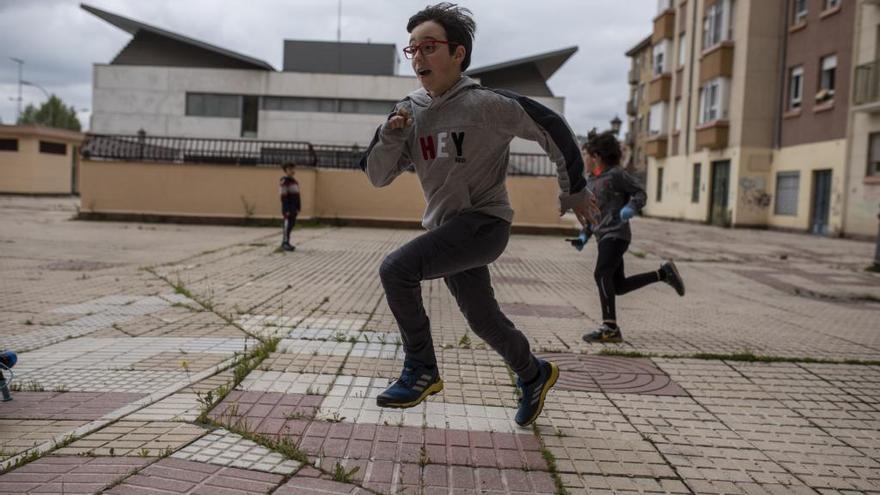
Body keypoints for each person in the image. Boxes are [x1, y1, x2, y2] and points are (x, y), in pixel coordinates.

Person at [358, 2, 598, 427]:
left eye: (428, 47)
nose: (418, 58)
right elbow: (376, 175)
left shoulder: (487, 104)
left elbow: (552, 127)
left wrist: (574, 189)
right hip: (450, 228)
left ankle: (421, 369)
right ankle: (534, 372)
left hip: (485, 223)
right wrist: (391, 136)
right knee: (483, 318)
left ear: (458, 54)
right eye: (411, 50)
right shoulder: (407, 112)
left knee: (396, 269)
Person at [575, 130, 685, 344]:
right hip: (603, 236)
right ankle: (663, 274)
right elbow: (594, 215)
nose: (584, 160)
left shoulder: (617, 175)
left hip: (617, 235)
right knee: (618, 286)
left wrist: (631, 206)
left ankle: (610, 328)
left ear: (596, 156)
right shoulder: (591, 182)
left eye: (585, 155)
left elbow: (640, 192)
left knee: (601, 273)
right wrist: (583, 236)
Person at [279, 162, 301, 251]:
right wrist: (286, 209)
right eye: (289, 169)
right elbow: (283, 196)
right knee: (287, 225)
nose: (291, 171)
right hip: (288, 208)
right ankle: (284, 243)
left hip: (294, 208)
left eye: (292, 169)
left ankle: (287, 242)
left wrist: (299, 207)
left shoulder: (295, 181)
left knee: (291, 225)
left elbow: (297, 196)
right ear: (285, 171)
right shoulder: (284, 181)